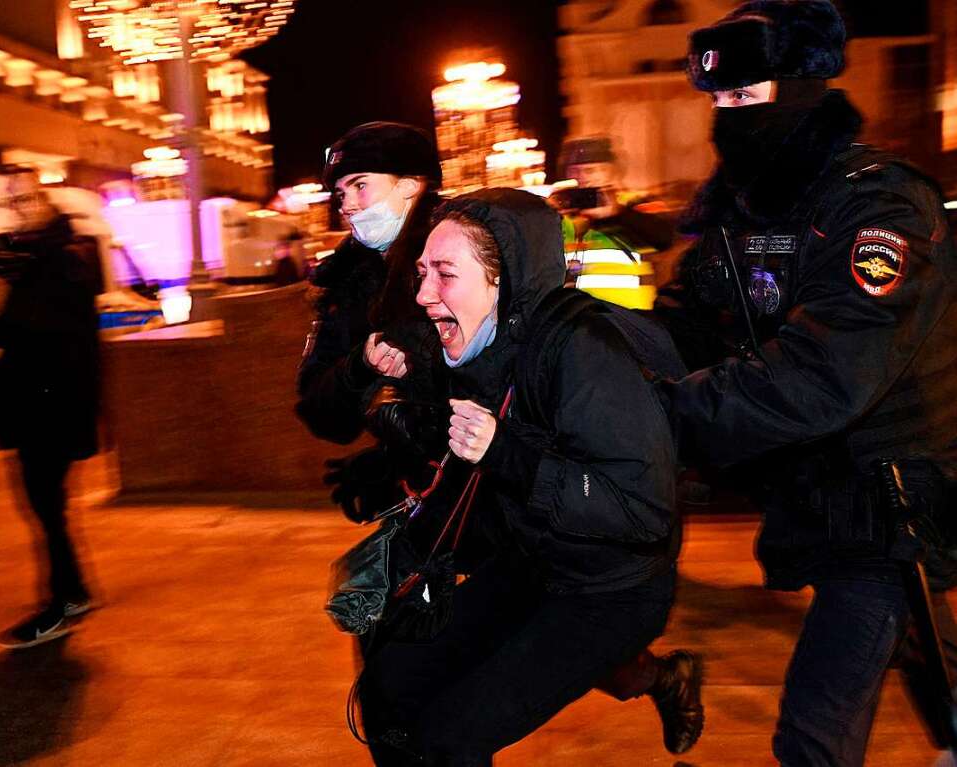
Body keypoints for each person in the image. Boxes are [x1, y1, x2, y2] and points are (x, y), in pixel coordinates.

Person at [654, 2, 957, 764]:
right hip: (821, 500)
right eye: (717, 101)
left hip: (893, 514)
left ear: (801, 90)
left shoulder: (878, 206)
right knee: (939, 681)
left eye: (745, 98)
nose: (727, 118)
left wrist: (660, 413)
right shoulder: (740, 212)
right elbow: (680, 325)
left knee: (813, 737)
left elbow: (823, 376)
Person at [358, 188, 694, 764]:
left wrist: (506, 453)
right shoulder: (486, 342)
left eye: (444, 274)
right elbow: (464, 456)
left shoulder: (585, 352)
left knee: (452, 738)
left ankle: (666, 677)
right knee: (389, 684)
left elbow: (640, 511)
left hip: (610, 591)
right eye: (421, 274)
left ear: (503, 279)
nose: (423, 294)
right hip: (534, 563)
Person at [295, 121, 445, 522]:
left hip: (493, 490)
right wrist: (359, 367)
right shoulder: (346, 283)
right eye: (341, 192)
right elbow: (319, 411)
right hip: (426, 497)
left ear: (410, 184)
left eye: (361, 185)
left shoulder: (466, 258)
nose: (347, 204)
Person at [0, 168, 102, 649]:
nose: (19, 209)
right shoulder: (36, 256)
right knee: (48, 509)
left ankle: (57, 605)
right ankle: (72, 591)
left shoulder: (59, 260)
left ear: (45, 202)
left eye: (27, 199)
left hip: (49, 408)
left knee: (46, 507)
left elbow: (32, 331)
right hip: (39, 404)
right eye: (12, 202)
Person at [551, 136, 677, 309]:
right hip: (583, 322)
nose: (583, 178)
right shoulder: (565, 214)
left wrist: (615, 215)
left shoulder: (634, 205)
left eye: (591, 170)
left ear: (611, 171)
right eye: (575, 172)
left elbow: (664, 238)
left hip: (630, 319)